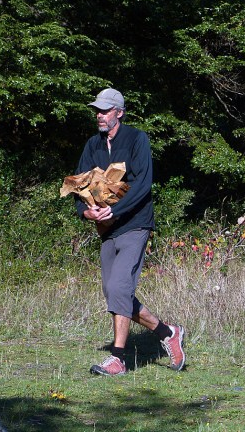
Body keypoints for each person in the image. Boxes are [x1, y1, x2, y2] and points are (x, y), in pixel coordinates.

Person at [75, 88, 186, 376]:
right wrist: (86, 212)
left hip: (135, 224)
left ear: (119, 113)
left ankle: (118, 359)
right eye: (97, 111)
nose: (99, 115)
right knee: (114, 292)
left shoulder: (137, 139)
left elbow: (143, 184)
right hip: (107, 229)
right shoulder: (92, 145)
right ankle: (167, 332)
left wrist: (114, 209)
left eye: (104, 111)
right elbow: (80, 185)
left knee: (121, 288)